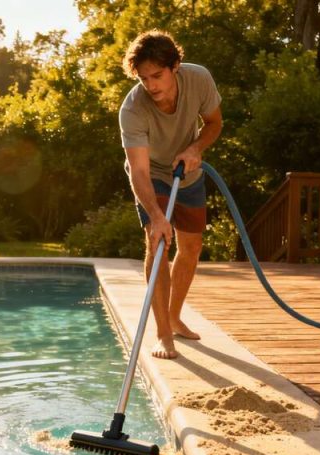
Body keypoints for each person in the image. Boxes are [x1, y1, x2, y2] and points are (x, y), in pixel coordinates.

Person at [119, 30, 223, 360]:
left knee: (191, 246)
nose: (150, 85)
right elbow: (138, 171)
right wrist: (157, 216)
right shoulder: (133, 109)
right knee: (158, 241)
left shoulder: (199, 79)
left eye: (157, 75)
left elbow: (214, 123)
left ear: (175, 66)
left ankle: (175, 317)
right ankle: (163, 334)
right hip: (152, 175)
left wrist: (195, 148)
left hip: (187, 170)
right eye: (143, 78)